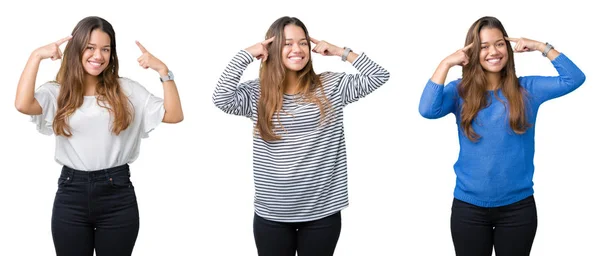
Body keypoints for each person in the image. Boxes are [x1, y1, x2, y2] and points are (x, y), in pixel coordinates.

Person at [212, 16, 390, 256]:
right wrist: (245, 54)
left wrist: (341, 51)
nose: (297, 49)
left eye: (303, 42)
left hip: (322, 212)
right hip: (271, 214)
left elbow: (378, 76)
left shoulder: (332, 86)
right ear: (272, 49)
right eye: (287, 43)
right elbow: (221, 98)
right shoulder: (257, 92)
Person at [14, 16, 183, 256]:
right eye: (90, 48)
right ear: (76, 50)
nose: (98, 56)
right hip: (71, 194)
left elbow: (174, 115)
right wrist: (36, 56)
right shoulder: (57, 93)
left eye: (106, 49)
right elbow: (22, 104)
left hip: (117, 195)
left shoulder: (126, 90)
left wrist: (163, 71)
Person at [418, 16, 585, 256]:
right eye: (484, 46)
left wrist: (541, 47)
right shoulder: (459, 91)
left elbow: (574, 78)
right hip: (469, 209)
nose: (493, 51)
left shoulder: (528, 89)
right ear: (473, 52)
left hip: (518, 209)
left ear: (508, 47)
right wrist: (446, 63)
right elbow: (427, 110)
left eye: (499, 44)